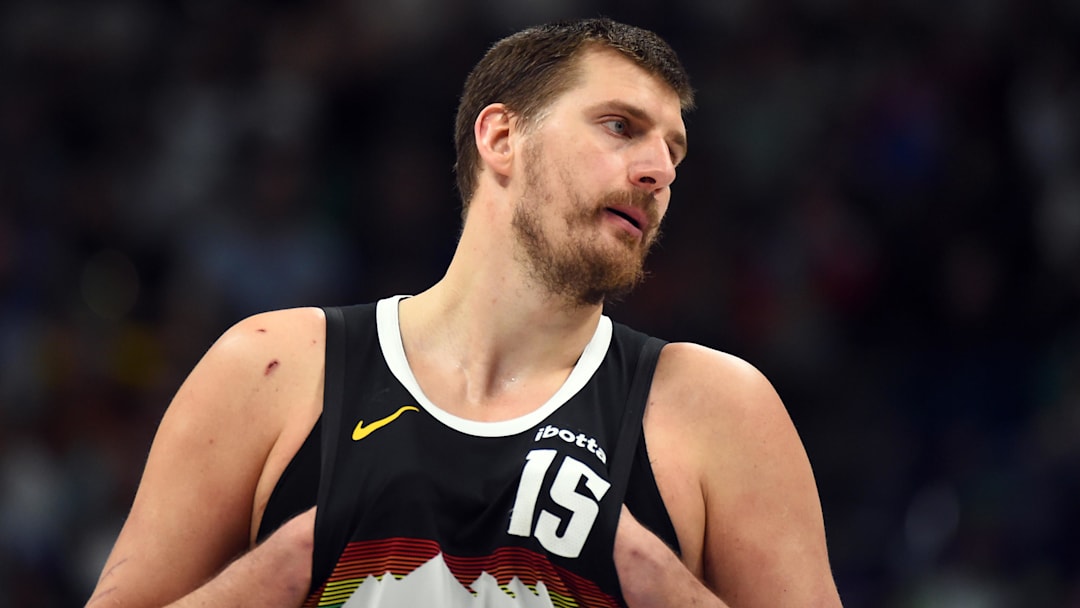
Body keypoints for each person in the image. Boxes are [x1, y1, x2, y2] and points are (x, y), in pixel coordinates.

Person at [86, 17, 842, 608]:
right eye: (620, 127)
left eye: (674, 151)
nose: (658, 171)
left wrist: (659, 583)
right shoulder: (272, 367)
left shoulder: (718, 410)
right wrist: (286, 565)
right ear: (502, 137)